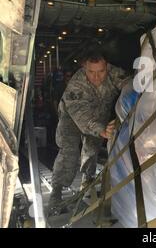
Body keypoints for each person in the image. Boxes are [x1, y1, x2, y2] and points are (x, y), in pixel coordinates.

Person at [48, 49, 130, 211]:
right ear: (84, 67)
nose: (96, 77)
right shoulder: (77, 84)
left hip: (99, 115)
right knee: (69, 151)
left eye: (101, 71)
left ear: (106, 67)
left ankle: (88, 179)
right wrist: (101, 130)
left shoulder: (114, 73)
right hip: (71, 117)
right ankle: (56, 192)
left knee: (92, 149)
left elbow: (131, 85)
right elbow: (80, 113)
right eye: (91, 72)